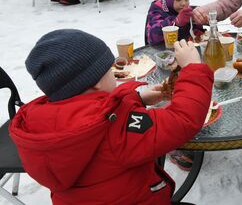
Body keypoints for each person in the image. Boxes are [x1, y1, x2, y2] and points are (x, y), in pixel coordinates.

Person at [10, 29, 213, 204]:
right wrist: (193, 69)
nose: (113, 75)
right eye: (110, 70)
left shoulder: (44, 122)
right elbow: (182, 120)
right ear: (95, 82)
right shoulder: (116, 131)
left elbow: (95, 111)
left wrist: (137, 98)